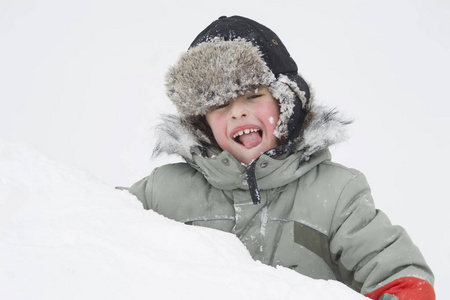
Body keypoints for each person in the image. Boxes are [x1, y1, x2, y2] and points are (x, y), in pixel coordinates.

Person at [129, 16, 435, 299]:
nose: (238, 111)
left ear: (287, 102)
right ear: (201, 121)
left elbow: (401, 277)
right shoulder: (163, 193)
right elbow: (95, 230)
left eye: (253, 95)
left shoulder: (336, 194)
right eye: (219, 104)